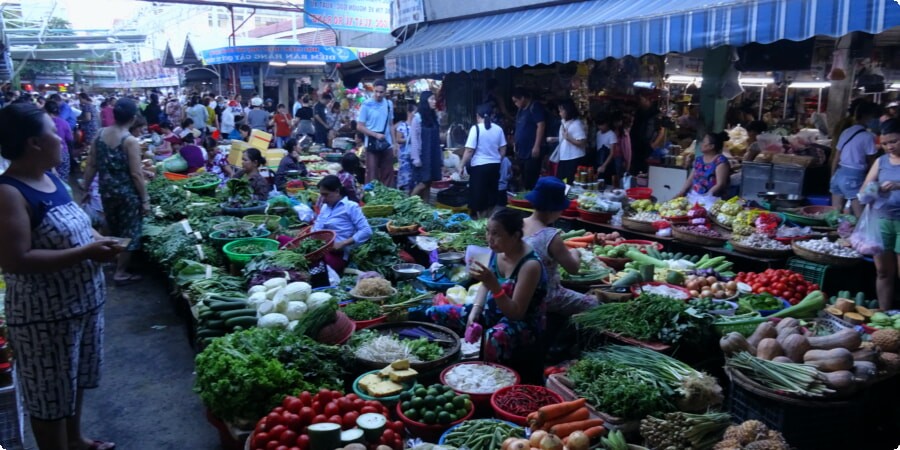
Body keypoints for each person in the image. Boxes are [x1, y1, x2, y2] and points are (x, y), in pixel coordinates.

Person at [0, 102, 121, 450]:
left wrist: (100, 239)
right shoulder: (9, 193)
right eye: (53, 132)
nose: (61, 138)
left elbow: (77, 226)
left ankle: (76, 440)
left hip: (83, 305)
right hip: (44, 318)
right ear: (33, 143)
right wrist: (86, 252)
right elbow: (16, 260)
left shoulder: (51, 179)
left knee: (75, 380)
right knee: (48, 394)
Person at [427, 208, 547, 380]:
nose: (490, 239)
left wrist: (494, 286)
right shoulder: (497, 251)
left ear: (515, 235)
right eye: (488, 232)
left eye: (496, 234)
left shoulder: (530, 266)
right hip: (492, 311)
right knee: (437, 313)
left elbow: (516, 313)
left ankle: (488, 381)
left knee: (494, 337)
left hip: (523, 324)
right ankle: (437, 367)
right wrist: (475, 311)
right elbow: (484, 284)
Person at [81, 98, 149, 285]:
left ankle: (112, 261)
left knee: (113, 226)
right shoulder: (130, 141)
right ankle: (120, 271)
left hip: (107, 191)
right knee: (129, 232)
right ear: (133, 118)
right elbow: (136, 174)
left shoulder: (99, 134)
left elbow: (91, 164)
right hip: (127, 194)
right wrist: (144, 199)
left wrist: (86, 189)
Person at [523, 177, 597, 315]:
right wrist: (576, 252)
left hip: (520, 291)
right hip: (546, 296)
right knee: (595, 303)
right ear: (553, 210)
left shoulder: (518, 224)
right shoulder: (550, 236)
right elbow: (573, 269)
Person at [861, 119, 900, 310]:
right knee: (883, 272)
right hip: (882, 221)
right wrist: (876, 189)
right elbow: (864, 192)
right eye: (884, 144)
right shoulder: (881, 162)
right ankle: (885, 315)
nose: (889, 147)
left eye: (893, 141)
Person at [311, 174, 372, 274]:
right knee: (283, 240)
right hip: (319, 249)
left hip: (338, 253)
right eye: (321, 195)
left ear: (337, 191)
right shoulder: (325, 207)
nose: (323, 199)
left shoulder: (351, 206)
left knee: (319, 267)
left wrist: (342, 243)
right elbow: (317, 228)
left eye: (325, 194)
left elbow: (366, 231)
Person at [831, 102, 881, 216]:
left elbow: (836, 157)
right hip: (854, 176)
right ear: (866, 116)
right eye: (874, 117)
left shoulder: (846, 132)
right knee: (860, 216)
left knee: (835, 214)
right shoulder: (867, 136)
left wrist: (832, 177)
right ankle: (855, 233)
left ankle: (833, 232)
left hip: (839, 174)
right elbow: (872, 162)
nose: (875, 120)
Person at [460, 104, 507, 219]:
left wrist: (461, 165)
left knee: (479, 198)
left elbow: (469, 150)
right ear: (492, 115)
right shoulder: (498, 129)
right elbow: (503, 149)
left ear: (477, 116)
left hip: (479, 168)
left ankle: (482, 223)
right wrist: (497, 159)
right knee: (491, 196)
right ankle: (488, 220)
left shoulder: (475, 129)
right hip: (494, 166)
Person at [357, 79, 395, 186]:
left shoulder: (389, 104)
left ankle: (388, 196)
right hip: (372, 143)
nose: (378, 94)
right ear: (373, 90)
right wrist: (375, 135)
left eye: (381, 92)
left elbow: (391, 125)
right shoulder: (366, 104)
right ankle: (371, 197)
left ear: (385, 92)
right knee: (371, 174)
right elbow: (360, 126)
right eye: (376, 91)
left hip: (387, 144)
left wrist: (395, 143)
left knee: (388, 173)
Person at [675, 131, 731, 199]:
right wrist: (681, 192)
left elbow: (720, 184)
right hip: (695, 197)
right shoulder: (698, 160)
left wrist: (705, 197)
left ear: (711, 146)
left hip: (713, 199)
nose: (701, 144)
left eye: (704, 142)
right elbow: (690, 179)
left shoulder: (720, 161)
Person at [512, 88, 546, 190]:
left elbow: (541, 125)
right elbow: (519, 127)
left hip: (531, 149)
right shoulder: (520, 110)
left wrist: (536, 146)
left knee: (530, 177)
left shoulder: (535, 107)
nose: (515, 104)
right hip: (521, 149)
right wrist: (515, 143)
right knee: (523, 176)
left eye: (516, 101)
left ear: (522, 98)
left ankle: (531, 200)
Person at [410, 91, 442, 200]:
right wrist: (416, 158)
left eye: (434, 99)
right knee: (423, 183)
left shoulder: (434, 117)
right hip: (422, 156)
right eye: (431, 99)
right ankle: (408, 202)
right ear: (425, 101)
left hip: (433, 155)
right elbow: (414, 139)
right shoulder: (417, 118)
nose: (434, 102)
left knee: (429, 183)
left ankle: (426, 207)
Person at [548, 99, 587, 184]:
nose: (560, 113)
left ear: (568, 110)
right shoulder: (563, 122)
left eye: (561, 110)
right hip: (564, 157)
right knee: (561, 181)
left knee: (570, 182)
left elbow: (582, 142)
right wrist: (555, 139)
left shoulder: (576, 124)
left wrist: (569, 139)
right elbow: (564, 138)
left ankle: (570, 197)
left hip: (574, 158)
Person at [45, 100, 74, 182]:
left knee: (49, 181)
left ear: (45, 110)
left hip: (46, 155)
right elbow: (70, 139)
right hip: (63, 153)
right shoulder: (64, 123)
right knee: (63, 180)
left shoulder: (42, 123)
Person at [594, 115, 619, 186]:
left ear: (607, 123)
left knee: (607, 184)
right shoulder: (598, 133)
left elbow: (612, 153)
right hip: (599, 160)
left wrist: (604, 165)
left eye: (602, 125)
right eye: (598, 125)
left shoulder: (611, 135)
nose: (600, 127)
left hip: (608, 163)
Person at [393, 105, 413, 192]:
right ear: (409, 113)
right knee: (405, 177)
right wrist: (409, 140)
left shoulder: (416, 126)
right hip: (404, 156)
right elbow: (398, 139)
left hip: (413, 155)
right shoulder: (402, 126)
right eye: (414, 112)